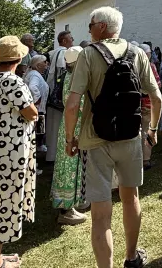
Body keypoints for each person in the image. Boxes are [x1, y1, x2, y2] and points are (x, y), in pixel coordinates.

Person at [64, 6, 162, 268]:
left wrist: (70, 139)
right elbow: (156, 97)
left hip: (96, 138)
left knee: (100, 213)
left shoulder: (88, 54)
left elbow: (72, 105)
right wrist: (152, 130)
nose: (89, 30)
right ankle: (131, 257)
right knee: (131, 198)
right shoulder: (137, 53)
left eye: (90, 25)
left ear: (102, 27)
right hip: (130, 137)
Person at [0, 36, 39, 268]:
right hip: (11, 153)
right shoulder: (13, 81)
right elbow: (31, 112)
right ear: (20, 57)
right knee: (5, 205)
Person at [51, 46, 89, 226]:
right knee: (69, 167)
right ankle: (66, 210)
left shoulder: (68, 76)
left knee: (71, 166)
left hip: (69, 126)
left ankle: (73, 204)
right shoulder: (75, 78)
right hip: (74, 127)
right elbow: (78, 105)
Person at [46, 30, 74, 164]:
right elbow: (62, 71)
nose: (72, 40)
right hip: (58, 96)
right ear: (64, 40)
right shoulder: (63, 52)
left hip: (52, 93)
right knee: (58, 128)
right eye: (70, 38)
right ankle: (55, 156)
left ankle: (51, 155)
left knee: (52, 128)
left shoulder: (54, 52)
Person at [139, 43, 161, 169]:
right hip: (148, 103)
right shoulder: (150, 66)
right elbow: (157, 84)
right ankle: (146, 160)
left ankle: (138, 157)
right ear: (147, 54)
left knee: (138, 131)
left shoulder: (133, 65)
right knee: (147, 130)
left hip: (136, 103)